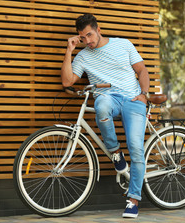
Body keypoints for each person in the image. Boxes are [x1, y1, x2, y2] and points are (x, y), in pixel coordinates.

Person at [61, 13, 150, 218]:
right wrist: (69, 50)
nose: (88, 41)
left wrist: (144, 94)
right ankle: (115, 151)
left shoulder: (123, 44)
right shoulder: (83, 56)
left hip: (133, 100)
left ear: (98, 29)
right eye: (83, 38)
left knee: (136, 148)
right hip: (108, 97)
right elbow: (67, 82)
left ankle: (133, 200)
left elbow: (142, 70)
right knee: (101, 105)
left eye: (90, 35)